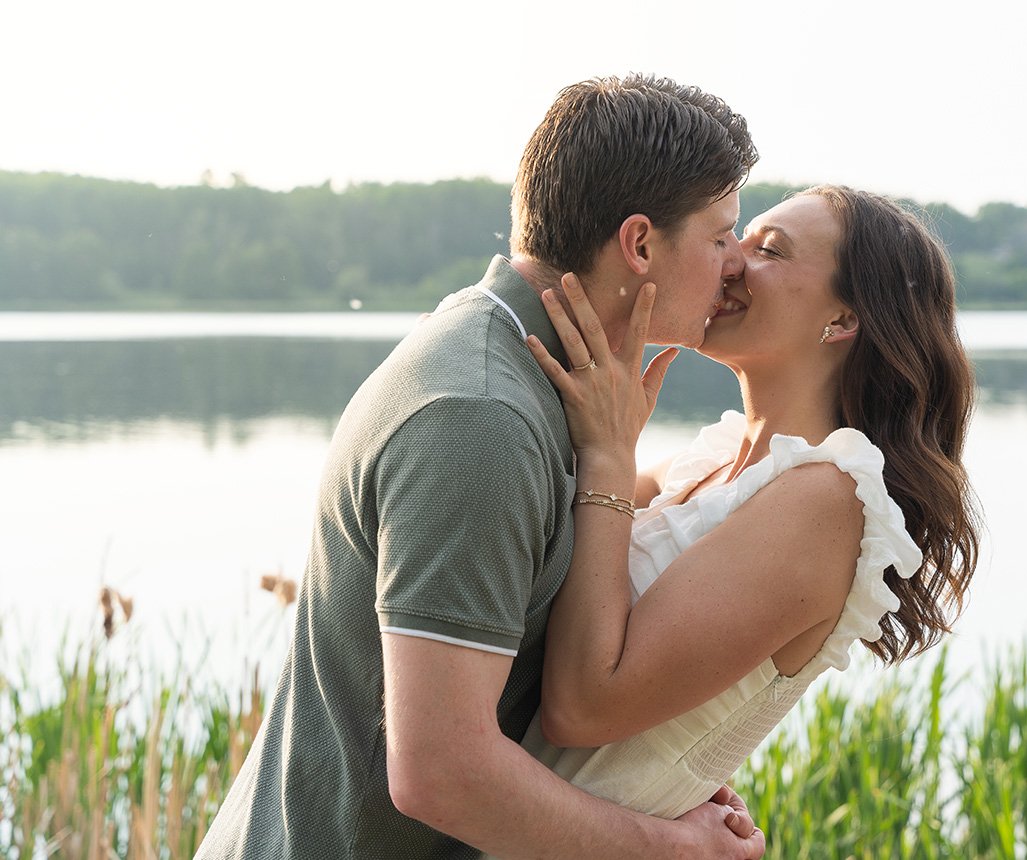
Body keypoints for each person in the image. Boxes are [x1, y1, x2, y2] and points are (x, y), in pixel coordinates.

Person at [196, 74, 767, 859]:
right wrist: (674, 848)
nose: (736, 264)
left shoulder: (532, 374)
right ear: (639, 245)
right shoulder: (480, 416)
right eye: (721, 234)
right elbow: (439, 772)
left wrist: (653, 777)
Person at [514, 185, 980, 821]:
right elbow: (550, 522)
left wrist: (610, 453)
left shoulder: (826, 498)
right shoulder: (715, 460)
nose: (729, 260)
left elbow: (584, 707)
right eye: (735, 239)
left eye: (771, 251)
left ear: (843, 320)